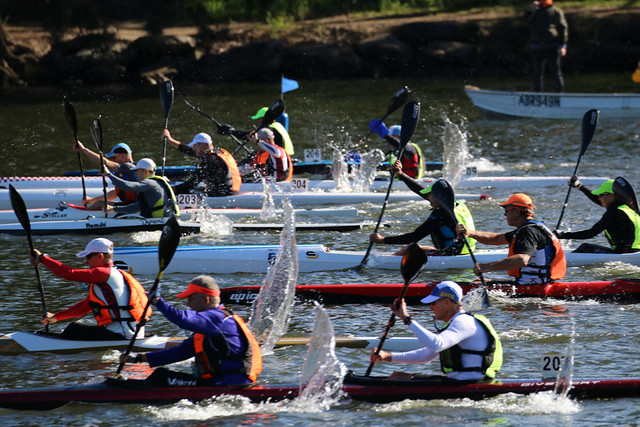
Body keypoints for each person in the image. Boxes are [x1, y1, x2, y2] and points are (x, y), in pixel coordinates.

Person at [119, 275, 262, 386]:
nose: (188, 304)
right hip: (221, 382)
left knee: (161, 378)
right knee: (161, 375)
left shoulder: (217, 318)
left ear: (206, 300)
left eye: (191, 298)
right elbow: (181, 352)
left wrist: (157, 301)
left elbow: (183, 319)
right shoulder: (210, 325)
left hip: (229, 384)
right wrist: (138, 358)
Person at [370, 281, 502, 382]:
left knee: (397, 379)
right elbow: (426, 355)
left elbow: (437, 345)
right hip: (458, 381)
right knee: (397, 376)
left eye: (433, 303)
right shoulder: (457, 323)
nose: (431, 308)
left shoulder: (464, 322)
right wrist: (388, 356)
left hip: (469, 384)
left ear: (446, 302)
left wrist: (407, 319)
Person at [29, 238, 150, 340]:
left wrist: (42, 258)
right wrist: (56, 317)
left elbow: (69, 273)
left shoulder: (103, 273)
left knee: (74, 328)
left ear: (100, 256)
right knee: (81, 324)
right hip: (132, 332)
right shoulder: (117, 275)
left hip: (122, 334)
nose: (86, 262)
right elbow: (86, 306)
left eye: (88, 257)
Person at [457, 193, 566, 284]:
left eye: (506, 210)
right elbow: (497, 239)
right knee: (480, 282)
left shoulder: (528, 232)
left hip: (533, 286)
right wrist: (469, 233)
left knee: (478, 284)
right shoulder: (530, 228)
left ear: (517, 211)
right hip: (534, 283)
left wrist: (487, 267)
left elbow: (521, 260)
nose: (505, 214)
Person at [369, 171, 476, 256]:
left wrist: (383, 240)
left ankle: (388, 261)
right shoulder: (459, 204)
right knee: (414, 247)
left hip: (452, 253)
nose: (427, 197)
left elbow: (414, 237)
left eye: (430, 195)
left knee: (407, 250)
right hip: (468, 249)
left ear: (438, 197)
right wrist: (401, 175)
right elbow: (421, 192)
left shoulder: (440, 214)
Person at [555, 177, 640, 253]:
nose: (599, 198)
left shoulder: (614, 213)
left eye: (601, 195)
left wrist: (563, 235)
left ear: (611, 196)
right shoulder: (629, 209)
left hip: (623, 253)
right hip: (635, 251)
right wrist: (580, 186)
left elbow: (590, 233)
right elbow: (599, 200)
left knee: (585, 248)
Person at [161, 129, 241, 197]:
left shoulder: (211, 161)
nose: (193, 148)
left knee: (185, 191)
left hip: (223, 196)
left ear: (202, 145)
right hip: (232, 192)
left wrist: (170, 190)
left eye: (194, 146)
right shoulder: (217, 152)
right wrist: (170, 140)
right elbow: (189, 150)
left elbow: (192, 183)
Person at [101, 157, 180, 218]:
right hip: (164, 219)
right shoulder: (154, 183)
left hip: (160, 221)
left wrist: (109, 174)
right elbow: (136, 207)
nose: (135, 174)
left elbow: (126, 186)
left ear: (145, 171)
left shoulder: (149, 183)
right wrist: (113, 209)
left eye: (137, 171)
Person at [73, 141, 137, 209]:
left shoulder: (129, 167)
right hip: (131, 204)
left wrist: (84, 149)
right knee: (99, 203)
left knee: (99, 204)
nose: (113, 160)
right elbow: (115, 193)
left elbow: (105, 162)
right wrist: (92, 200)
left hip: (136, 207)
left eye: (114, 157)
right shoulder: (125, 171)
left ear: (122, 155)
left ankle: (84, 214)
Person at [523, 0, 568, 92]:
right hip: (537, 46)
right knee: (537, 73)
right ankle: (537, 94)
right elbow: (524, 20)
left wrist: (563, 45)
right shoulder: (535, 10)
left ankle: (559, 94)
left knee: (556, 72)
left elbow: (563, 28)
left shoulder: (556, 11)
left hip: (552, 45)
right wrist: (531, 10)